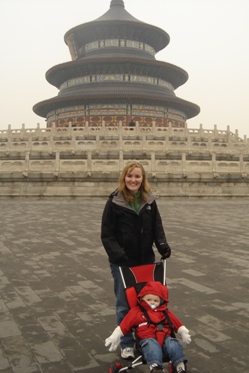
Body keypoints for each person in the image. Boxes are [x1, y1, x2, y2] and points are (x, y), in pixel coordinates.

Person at [101, 161, 171, 359]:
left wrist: (163, 246)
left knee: (146, 302)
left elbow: (157, 227)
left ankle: (146, 338)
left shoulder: (149, 201)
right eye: (130, 176)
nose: (133, 180)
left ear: (143, 179)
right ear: (124, 178)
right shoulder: (115, 201)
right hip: (122, 262)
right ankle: (126, 343)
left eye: (137, 176)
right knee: (124, 303)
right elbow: (107, 234)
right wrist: (118, 255)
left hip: (145, 260)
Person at [105, 281, 191, 373]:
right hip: (147, 338)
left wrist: (182, 331)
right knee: (152, 346)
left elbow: (176, 322)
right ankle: (155, 367)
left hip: (165, 337)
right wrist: (116, 335)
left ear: (161, 301)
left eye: (156, 300)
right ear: (142, 299)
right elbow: (125, 324)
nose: (152, 302)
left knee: (173, 344)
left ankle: (180, 366)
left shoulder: (164, 311)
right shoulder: (137, 312)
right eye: (149, 299)